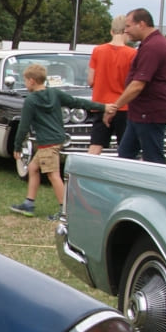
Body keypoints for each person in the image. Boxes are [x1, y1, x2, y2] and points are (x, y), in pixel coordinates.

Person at [9, 63, 104, 218]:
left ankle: (64, 211)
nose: (25, 84)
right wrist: (103, 107)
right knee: (33, 168)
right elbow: (77, 102)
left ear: (32, 81)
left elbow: (23, 126)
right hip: (56, 140)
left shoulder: (31, 100)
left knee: (53, 175)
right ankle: (29, 204)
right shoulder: (54, 93)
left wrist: (17, 146)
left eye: (25, 80)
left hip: (47, 143)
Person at [105, 8, 166, 164]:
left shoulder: (153, 46)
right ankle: (125, 188)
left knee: (153, 158)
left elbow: (138, 84)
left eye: (128, 26)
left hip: (150, 113)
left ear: (141, 24)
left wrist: (114, 107)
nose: (126, 31)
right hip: (139, 113)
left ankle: (157, 187)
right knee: (125, 155)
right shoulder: (148, 44)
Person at [86, 14, 135, 154]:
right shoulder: (132, 54)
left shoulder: (98, 51)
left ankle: (87, 173)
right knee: (125, 146)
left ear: (111, 31)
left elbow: (90, 80)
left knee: (96, 145)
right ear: (126, 31)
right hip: (123, 106)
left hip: (101, 104)